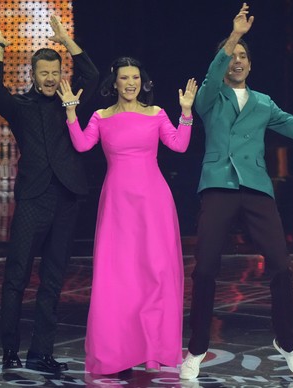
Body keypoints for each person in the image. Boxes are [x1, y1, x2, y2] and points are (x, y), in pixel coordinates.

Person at [179, 3, 293, 380]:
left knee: (281, 264)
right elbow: (210, 80)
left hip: (257, 190)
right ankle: (197, 348)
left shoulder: (264, 103)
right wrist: (233, 36)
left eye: (243, 56)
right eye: (232, 55)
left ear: (251, 64)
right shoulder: (210, 96)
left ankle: (287, 341)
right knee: (206, 269)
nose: (237, 60)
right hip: (218, 186)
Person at [56, 57, 197, 374]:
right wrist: (69, 112)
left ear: (142, 81)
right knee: (117, 276)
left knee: (156, 274)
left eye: (135, 77)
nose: (130, 82)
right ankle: (118, 351)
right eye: (124, 78)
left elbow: (179, 145)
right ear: (114, 83)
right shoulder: (101, 117)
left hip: (154, 202)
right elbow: (81, 145)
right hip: (117, 203)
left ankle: (154, 349)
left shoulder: (156, 114)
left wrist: (186, 112)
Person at [0, 16, 99, 373]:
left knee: (53, 279)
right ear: (33, 75)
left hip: (67, 197)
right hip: (33, 199)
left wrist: (67, 39)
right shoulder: (19, 106)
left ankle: (41, 353)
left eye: (55, 72)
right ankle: (10, 352)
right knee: (17, 276)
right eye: (44, 73)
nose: (50, 78)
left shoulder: (71, 102)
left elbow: (94, 76)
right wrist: (0, 48)